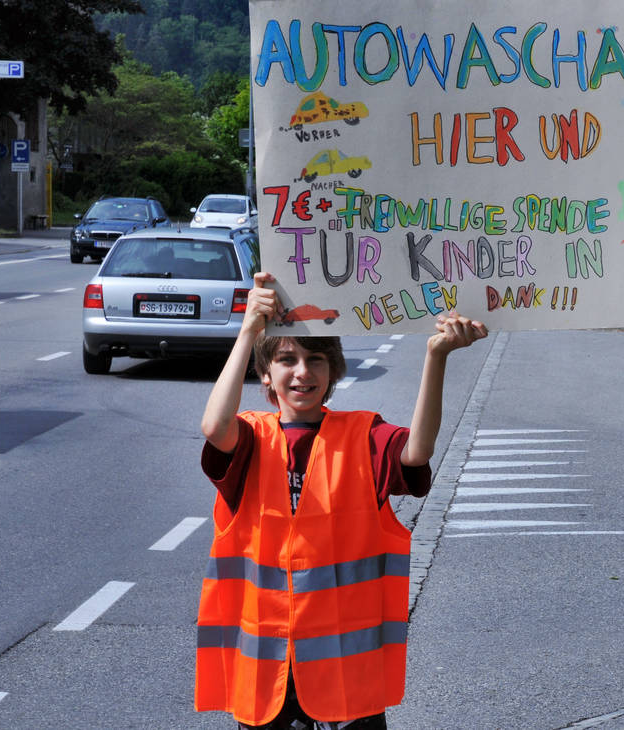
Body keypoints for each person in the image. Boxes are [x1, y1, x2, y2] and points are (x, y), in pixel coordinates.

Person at [195, 271, 487, 729]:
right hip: (267, 671)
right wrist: (249, 330)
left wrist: (436, 357)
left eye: (316, 360)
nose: (302, 371)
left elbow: (417, 452)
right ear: (267, 374)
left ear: (332, 373)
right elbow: (214, 427)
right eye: (287, 360)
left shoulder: (363, 435)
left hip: (346, 676)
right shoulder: (250, 438)